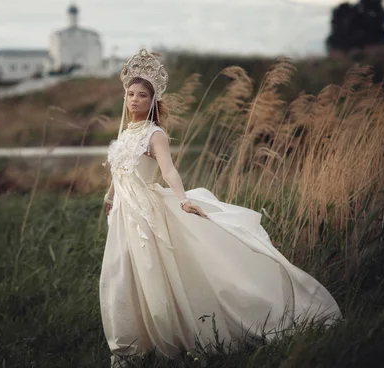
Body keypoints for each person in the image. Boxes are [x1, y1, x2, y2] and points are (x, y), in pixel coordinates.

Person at [99, 49, 341, 365]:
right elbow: (119, 170)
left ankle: (172, 336)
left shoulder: (154, 134)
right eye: (130, 94)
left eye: (141, 95)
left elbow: (169, 170)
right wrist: (109, 196)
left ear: (152, 99)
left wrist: (184, 199)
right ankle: (132, 344)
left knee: (151, 270)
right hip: (123, 213)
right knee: (122, 272)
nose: (134, 100)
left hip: (145, 212)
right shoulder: (125, 132)